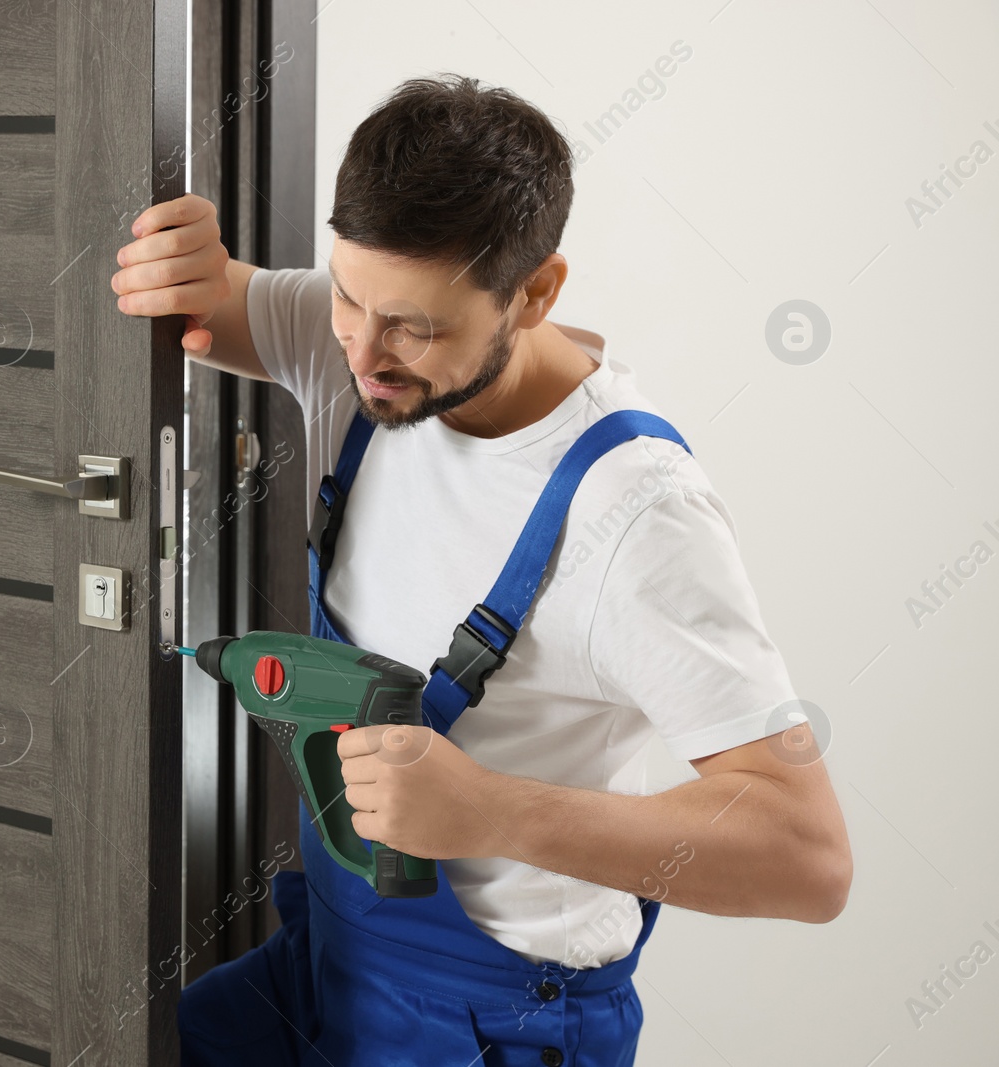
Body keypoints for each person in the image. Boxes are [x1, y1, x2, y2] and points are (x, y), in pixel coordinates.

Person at [111, 74, 852, 1066]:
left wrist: (489, 809)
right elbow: (216, 296)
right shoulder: (360, 346)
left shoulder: (634, 513)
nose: (362, 355)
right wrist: (183, 258)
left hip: (490, 1019)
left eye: (412, 325)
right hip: (327, 959)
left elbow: (806, 856)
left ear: (535, 291)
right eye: (345, 295)